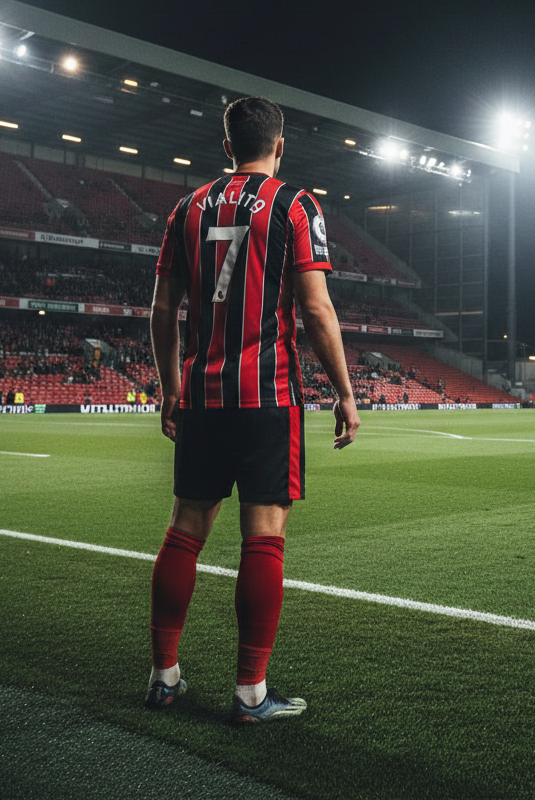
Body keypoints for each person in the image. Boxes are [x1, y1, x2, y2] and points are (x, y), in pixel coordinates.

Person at [145, 96, 359, 724]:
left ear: (226, 145)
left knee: (185, 528)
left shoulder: (185, 208)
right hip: (267, 397)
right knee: (263, 536)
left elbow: (163, 308)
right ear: (280, 144)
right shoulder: (296, 204)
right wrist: (345, 392)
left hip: (204, 396)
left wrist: (170, 386)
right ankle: (249, 694)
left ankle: (163, 678)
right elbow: (317, 309)